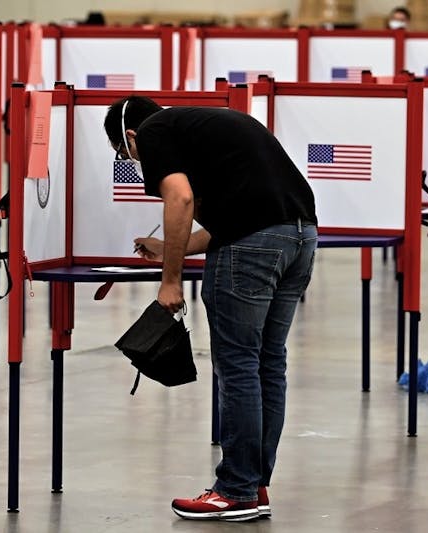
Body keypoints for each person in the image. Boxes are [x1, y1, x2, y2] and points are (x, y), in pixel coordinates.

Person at [103, 96, 317, 521]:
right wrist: (169, 249)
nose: (137, 163)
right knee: (268, 362)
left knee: (237, 364)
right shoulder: (211, 124)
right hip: (301, 236)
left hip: (253, 246)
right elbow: (235, 217)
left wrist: (170, 280)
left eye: (128, 157)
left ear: (131, 136)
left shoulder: (152, 133)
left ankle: (234, 490)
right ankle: (254, 485)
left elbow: (179, 199)